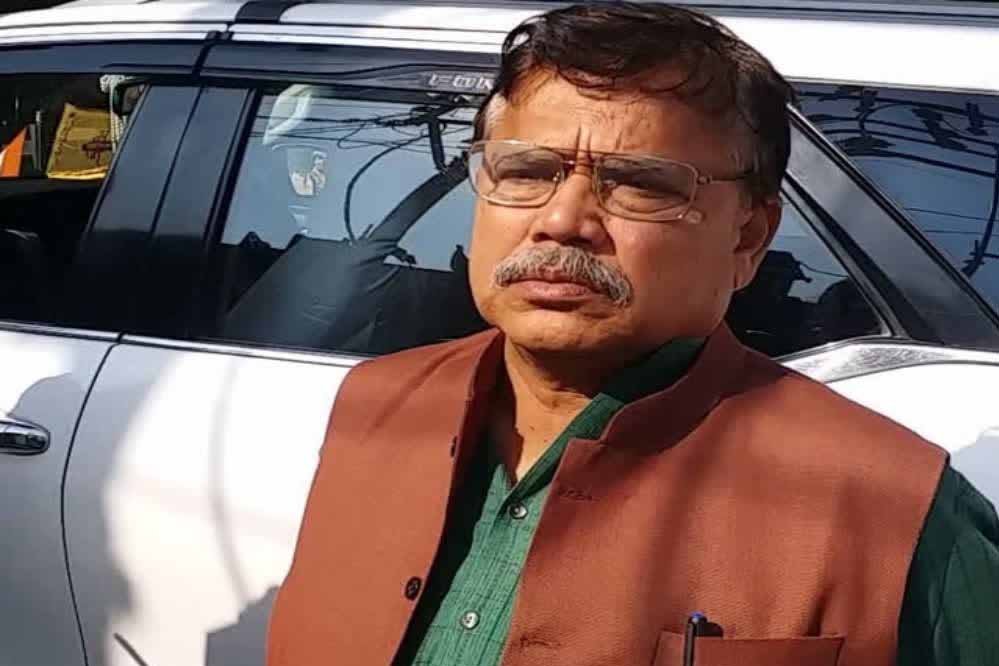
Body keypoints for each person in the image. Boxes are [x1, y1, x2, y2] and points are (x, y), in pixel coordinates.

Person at [266, 4, 999, 666]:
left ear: (748, 234)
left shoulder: (894, 508)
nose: (562, 221)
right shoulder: (376, 405)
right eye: (525, 171)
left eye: (640, 184)